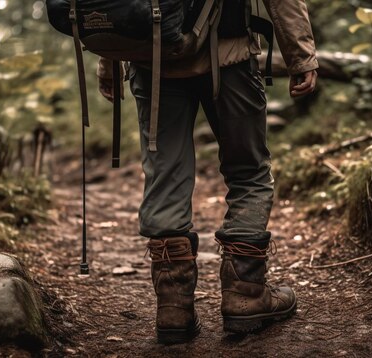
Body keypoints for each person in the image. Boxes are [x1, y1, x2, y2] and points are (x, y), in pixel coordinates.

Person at [97, 0, 318, 344]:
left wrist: (108, 60)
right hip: (229, 56)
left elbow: (117, 5)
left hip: (152, 61)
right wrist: (300, 55)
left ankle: (173, 307)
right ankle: (245, 294)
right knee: (249, 173)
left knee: (164, 178)